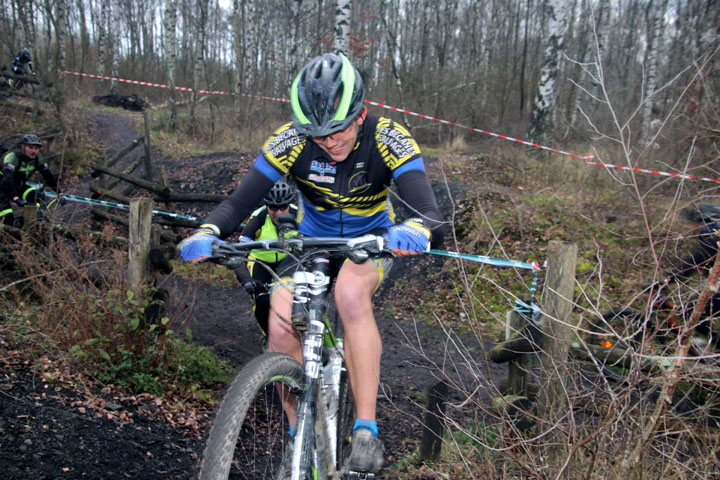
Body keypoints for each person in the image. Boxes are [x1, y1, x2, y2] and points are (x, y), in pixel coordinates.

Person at [178, 52, 445, 474]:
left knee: (350, 295)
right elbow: (240, 201)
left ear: (361, 114)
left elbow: (429, 212)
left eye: (337, 130)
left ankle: (366, 429)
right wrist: (208, 231)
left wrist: (416, 229)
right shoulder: (289, 141)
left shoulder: (391, 137)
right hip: (312, 242)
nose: (328, 142)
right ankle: (302, 441)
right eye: (316, 135)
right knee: (281, 329)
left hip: (369, 240)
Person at [234, 180, 298, 336]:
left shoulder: (299, 216)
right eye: (273, 208)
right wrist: (246, 280)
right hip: (261, 263)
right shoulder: (258, 219)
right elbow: (239, 253)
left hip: (287, 261)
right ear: (266, 205)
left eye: (283, 207)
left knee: (297, 299)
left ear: (289, 204)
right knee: (262, 301)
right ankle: (269, 338)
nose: (278, 213)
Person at [662, 204, 720, 343]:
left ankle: (716, 346)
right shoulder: (713, 234)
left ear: (702, 222)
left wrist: (668, 278)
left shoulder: (711, 236)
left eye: (692, 223)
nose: (690, 228)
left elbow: (696, 261)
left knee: (691, 309)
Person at [1, 134, 63, 227]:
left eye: (37, 148)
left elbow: (48, 175)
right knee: (7, 220)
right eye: (31, 147)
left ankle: (28, 227)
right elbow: (7, 179)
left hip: (18, 186)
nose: (34, 151)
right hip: (2, 188)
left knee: (39, 199)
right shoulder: (12, 157)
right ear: (23, 146)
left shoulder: (37, 158)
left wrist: (59, 193)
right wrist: (15, 198)